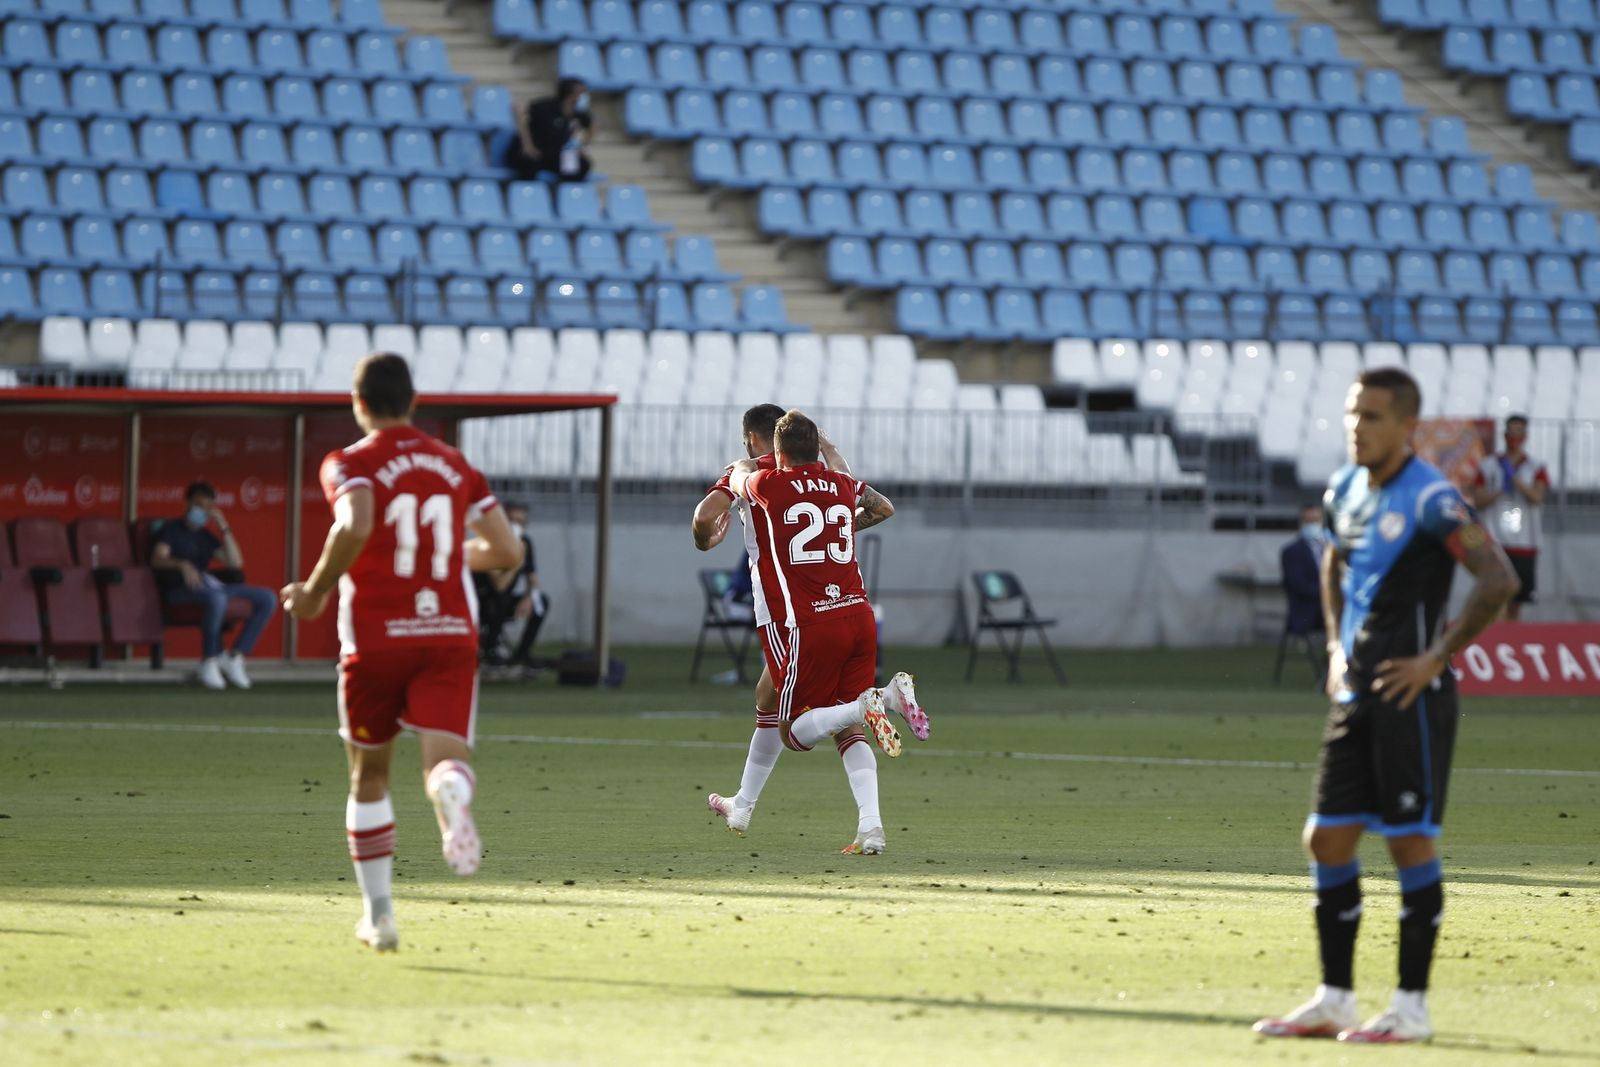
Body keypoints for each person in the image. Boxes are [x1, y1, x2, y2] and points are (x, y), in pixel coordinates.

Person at [1255, 368, 1519, 1044]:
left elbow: (1497, 578)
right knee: (1327, 836)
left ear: (1406, 426)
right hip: (1358, 689)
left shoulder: (1432, 498)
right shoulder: (1342, 490)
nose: (1357, 426)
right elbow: (1334, 564)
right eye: (1352, 413)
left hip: (1413, 695)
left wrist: (1439, 656)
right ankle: (1336, 997)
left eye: (1373, 415)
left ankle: (1411, 1006)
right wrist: (1339, 648)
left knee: (1408, 840)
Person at [280, 353, 523, 953]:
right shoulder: (453, 462)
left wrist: (312, 593)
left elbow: (356, 525)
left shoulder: (350, 462)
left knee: (369, 777)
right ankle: (452, 791)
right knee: (442, 757)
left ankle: (380, 915)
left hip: (376, 635)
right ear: (414, 401)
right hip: (446, 631)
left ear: (358, 403)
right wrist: (441, 559)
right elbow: (507, 551)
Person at [691, 405, 927, 854]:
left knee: (795, 730)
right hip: (857, 615)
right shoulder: (841, 482)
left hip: (797, 619)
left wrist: (735, 475)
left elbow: (714, 509)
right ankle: (867, 827)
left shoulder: (764, 480)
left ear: (766, 446)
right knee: (770, 697)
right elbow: (879, 504)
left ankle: (876, 702)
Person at [149, 480, 279, 691]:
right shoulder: (170, 529)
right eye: (199, 505)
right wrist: (181, 564)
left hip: (209, 586)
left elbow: (235, 562)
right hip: (178, 590)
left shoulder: (205, 536)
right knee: (216, 598)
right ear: (188, 504)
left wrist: (224, 528)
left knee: (267, 598)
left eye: (207, 506)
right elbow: (157, 558)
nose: (203, 511)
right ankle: (209, 660)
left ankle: (234, 656)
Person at [1472, 414, 1549, 622]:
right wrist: (1499, 489)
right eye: (1510, 432)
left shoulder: (1536, 466)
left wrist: (1515, 481)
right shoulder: (1488, 465)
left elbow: (1537, 497)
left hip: (1524, 541)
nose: (1513, 437)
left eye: (1518, 432)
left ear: (1525, 435)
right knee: (1493, 596)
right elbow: (1477, 500)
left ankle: (1511, 636)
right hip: (1496, 540)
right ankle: (1494, 637)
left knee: (1517, 599)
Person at [475, 503, 547, 670]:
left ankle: (521, 656)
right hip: (483, 603)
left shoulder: (525, 542)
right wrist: (517, 557)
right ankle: (490, 652)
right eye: (511, 521)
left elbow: (533, 578)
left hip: (505, 602)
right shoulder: (489, 542)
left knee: (541, 602)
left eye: (520, 522)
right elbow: (499, 585)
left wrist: (529, 596)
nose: (516, 526)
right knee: (501, 599)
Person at [506, 79, 592, 182]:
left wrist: (583, 146)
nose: (585, 96)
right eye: (582, 93)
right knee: (529, 163)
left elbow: (593, 126)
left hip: (552, 156)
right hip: (531, 152)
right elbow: (519, 110)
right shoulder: (546, 107)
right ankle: (527, 194)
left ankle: (565, 194)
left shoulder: (578, 113)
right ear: (571, 95)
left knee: (581, 165)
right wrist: (527, 145)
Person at [1278, 501, 1328, 678]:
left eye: (1316, 520)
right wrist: (1328, 595)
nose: (1313, 525)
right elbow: (1299, 586)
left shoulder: (1331, 548)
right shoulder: (1292, 552)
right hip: (1309, 611)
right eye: (1308, 521)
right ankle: (1330, 673)